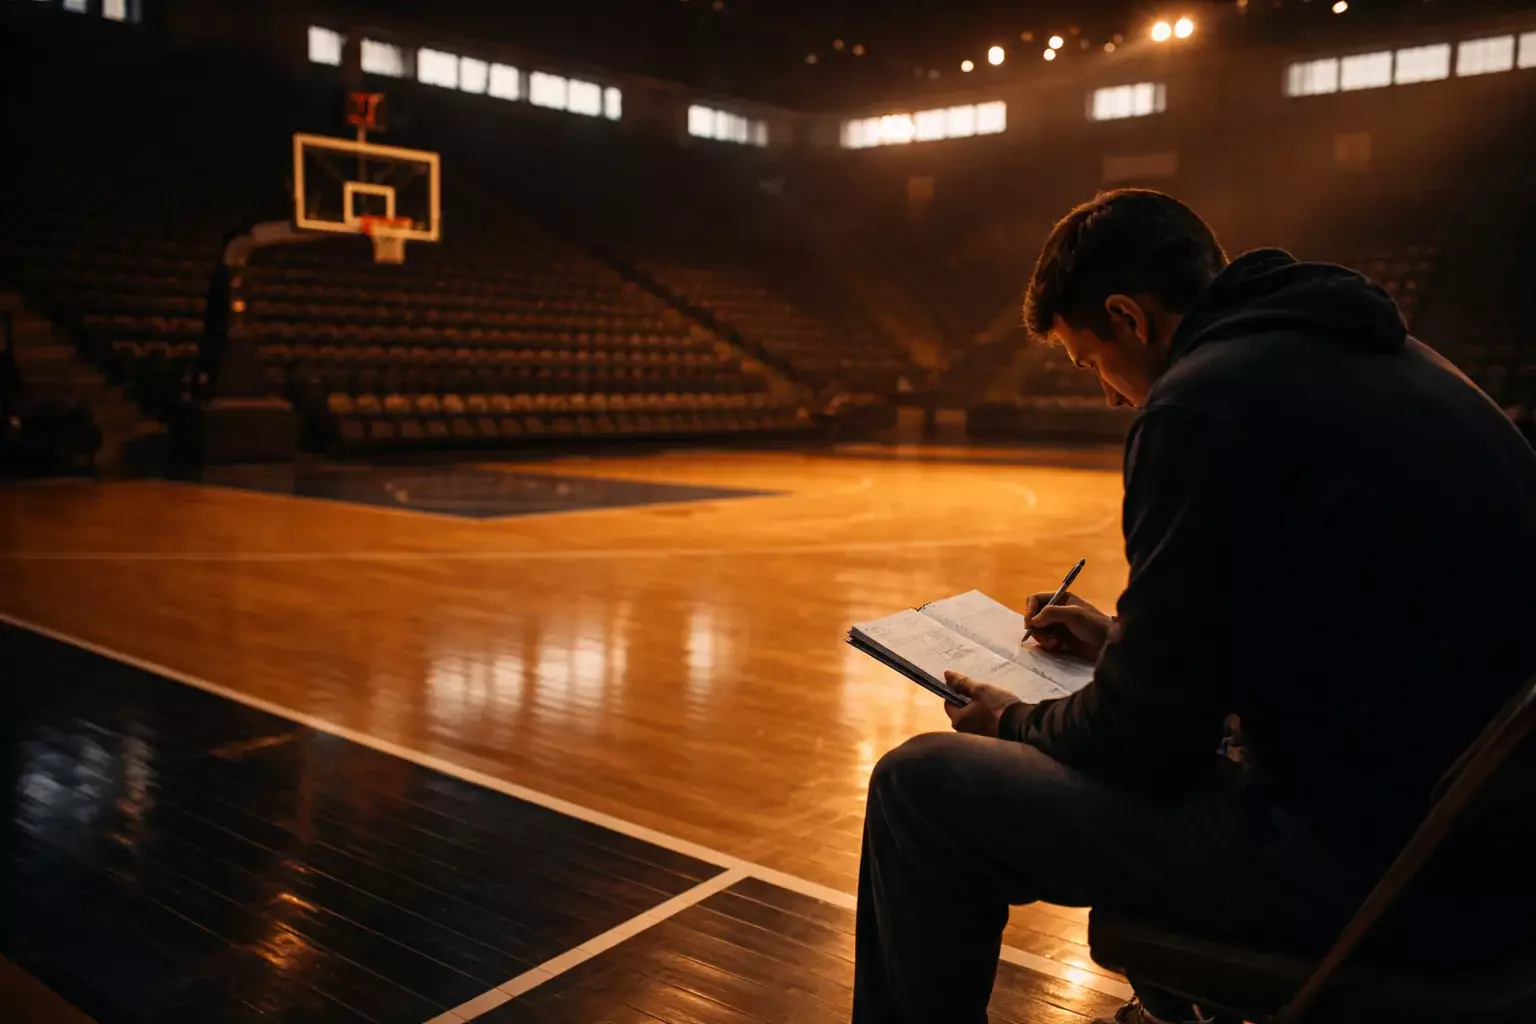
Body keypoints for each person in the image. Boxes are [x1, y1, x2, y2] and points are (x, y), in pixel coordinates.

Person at [851, 189, 1536, 1024]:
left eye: (1087, 361)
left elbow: (1142, 746)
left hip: (1371, 873)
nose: (1108, 397)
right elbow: (1341, 627)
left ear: (1127, 318)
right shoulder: (1389, 361)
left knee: (919, 787)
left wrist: (1013, 722)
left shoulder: (1202, 403)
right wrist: (1126, 645)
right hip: (1476, 850)